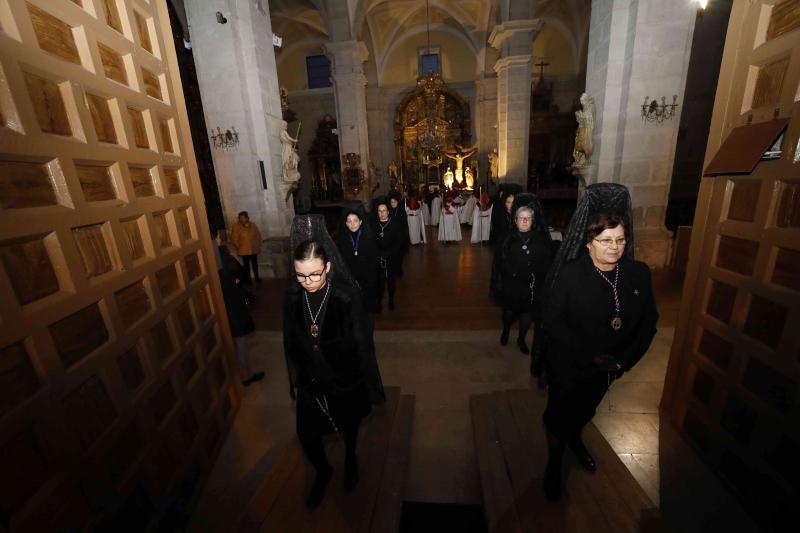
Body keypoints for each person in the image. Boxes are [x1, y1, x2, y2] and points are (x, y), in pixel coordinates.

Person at [539, 183, 658, 502]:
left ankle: (574, 440)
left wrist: (623, 361)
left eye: (620, 240)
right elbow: (553, 323)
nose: (614, 248)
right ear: (588, 243)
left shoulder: (639, 273)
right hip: (570, 365)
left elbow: (649, 323)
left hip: (610, 368)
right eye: (605, 241)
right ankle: (554, 462)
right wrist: (592, 356)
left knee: (586, 410)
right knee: (559, 415)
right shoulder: (568, 276)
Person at [283, 215, 385, 508]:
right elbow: (290, 341)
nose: (308, 282)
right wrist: (300, 374)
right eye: (301, 275)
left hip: (344, 377)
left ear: (327, 266)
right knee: (307, 434)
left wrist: (361, 380)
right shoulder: (292, 297)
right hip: (310, 379)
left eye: (315, 274)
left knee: (348, 423)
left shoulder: (346, 296)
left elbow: (362, 345)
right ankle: (323, 470)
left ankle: (351, 459)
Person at [492, 195, 552, 355]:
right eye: (521, 218)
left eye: (528, 218)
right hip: (511, 283)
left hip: (531, 285)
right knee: (509, 312)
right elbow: (500, 261)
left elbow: (546, 262)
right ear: (516, 220)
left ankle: (521, 339)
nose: (525, 221)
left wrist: (537, 275)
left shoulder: (540, 239)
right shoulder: (507, 238)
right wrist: (512, 273)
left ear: (532, 221)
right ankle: (505, 330)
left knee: (527, 315)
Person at [219, 244, 263, 386]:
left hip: (217, 309)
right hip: (233, 307)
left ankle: (232, 376)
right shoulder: (226, 259)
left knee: (228, 343)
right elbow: (243, 274)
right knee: (240, 343)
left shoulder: (203, 259)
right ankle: (246, 376)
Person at [335, 202, 379, 314]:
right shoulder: (342, 240)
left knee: (366, 309)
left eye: (355, 221)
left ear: (361, 221)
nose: (352, 224)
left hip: (367, 281)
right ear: (345, 223)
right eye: (349, 221)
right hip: (351, 281)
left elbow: (373, 263)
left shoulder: (369, 238)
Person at [372, 197, 404, 312]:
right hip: (378, 258)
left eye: (384, 211)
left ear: (388, 211)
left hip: (391, 258)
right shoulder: (374, 225)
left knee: (391, 282)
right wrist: (378, 253)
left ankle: (391, 300)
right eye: (379, 211)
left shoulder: (395, 224)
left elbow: (399, 242)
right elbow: (371, 242)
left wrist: (389, 253)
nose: (382, 213)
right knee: (379, 283)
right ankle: (379, 302)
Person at [230, 211, 262, 284]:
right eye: (240, 218)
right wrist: (238, 246)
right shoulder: (236, 226)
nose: (242, 219)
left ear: (247, 218)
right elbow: (234, 238)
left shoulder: (253, 225)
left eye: (243, 218)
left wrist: (259, 244)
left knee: (255, 263)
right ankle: (248, 279)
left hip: (254, 248)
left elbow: (258, 235)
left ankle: (257, 277)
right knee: (246, 265)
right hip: (244, 250)